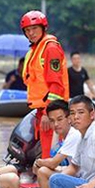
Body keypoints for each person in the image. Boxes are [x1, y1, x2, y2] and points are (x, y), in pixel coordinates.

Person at [19, 10, 69, 159]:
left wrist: (49, 113)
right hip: (42, 110)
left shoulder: (50, 48)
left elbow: (56, 84)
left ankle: (50, 180)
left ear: (43, 28)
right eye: (27, 30)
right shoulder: (35, 49)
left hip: (52, 110)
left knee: (51, 152)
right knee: (46, 151)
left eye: (34, 28)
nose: (31, 33)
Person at [49, 95, 95, 188]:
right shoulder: (81, 136)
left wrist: (92, 184)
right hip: (87, 183)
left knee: (56, 180)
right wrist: (60, 177)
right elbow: (74, 167)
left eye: (81, 112)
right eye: (72, 113)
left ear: (92, 115)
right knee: (55, 178)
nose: (76, 117)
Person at [33, 100, 81, 188]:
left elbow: (53, 162)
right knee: (43, 169)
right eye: (52, 121)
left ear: (69, 118)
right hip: (76, 173)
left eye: (59, 119)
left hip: (84, 179)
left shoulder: (74, 134)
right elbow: (53, 158)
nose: (55, 124)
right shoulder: (64, 135)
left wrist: (38, 162)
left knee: (43, 171)